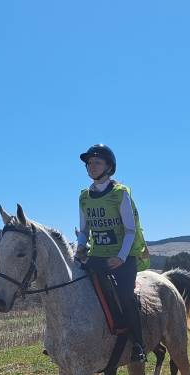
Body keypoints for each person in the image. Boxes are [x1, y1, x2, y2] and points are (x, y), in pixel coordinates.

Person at [75, 144, 150, 362]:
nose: (92, 166)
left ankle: (138, 344)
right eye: (89, 163)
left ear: (109, 166)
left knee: (126, 296)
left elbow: (130, 229)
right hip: (96, 256)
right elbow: (84, 229)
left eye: (97, 162)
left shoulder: (120, 193)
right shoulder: (84, 197)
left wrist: (121, 257)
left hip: (122, 257)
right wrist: (80, 245)